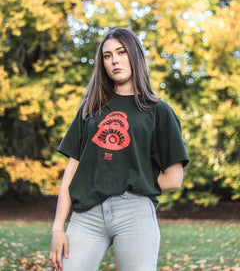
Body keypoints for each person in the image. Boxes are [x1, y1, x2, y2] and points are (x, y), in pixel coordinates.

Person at [49, 28, 189, 271]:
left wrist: (128, 180)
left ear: (134, 55)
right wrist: (58, 227)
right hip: (87, 214)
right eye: (107, 56)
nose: (114, 60)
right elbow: (72, 170)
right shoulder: (90, 108)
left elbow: (174, 178)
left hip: (135, 213)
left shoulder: (158, 111)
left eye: (121, 52)